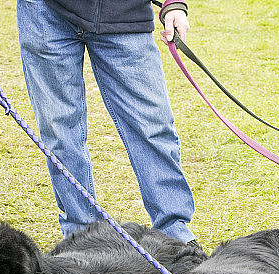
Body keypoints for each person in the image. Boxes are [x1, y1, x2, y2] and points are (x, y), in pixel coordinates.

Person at [16, 0, 198, 245]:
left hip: (125, 11)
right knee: (58, 130)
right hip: (44, 13)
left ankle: (174, 236)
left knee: (153, 126)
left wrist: (173, 3)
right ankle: (81, 240)